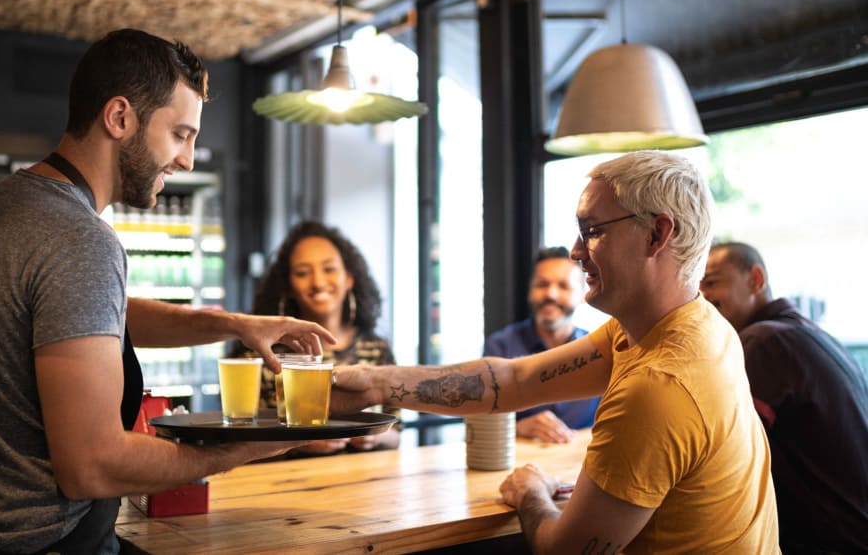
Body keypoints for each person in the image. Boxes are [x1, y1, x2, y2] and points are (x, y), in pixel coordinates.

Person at [0, 29, 335, 554]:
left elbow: (80, 317)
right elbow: (93, 466)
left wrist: (233, 325)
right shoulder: (81, 239)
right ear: (119, 118)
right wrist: (250, 445)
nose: (188, 159)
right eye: (181, 134)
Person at [332, 150, 779, 554]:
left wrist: (531, 491)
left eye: (593, 231)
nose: (576, 251)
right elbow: (513, 381)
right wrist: (374, 383)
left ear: (657, 234)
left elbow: (563, 551)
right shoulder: (682, 325)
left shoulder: (659, 384)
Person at [701, 241, 868, 554]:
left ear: (756, 280)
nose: (703, 297)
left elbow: (721, 461)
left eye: (711, 282)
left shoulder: (762, 343)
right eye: (696, 286)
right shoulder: (810, 333)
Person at [228, 220, 400, 455]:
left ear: (349, 278)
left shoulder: (377, 349)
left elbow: (396, 434)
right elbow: (240, 439)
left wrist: (374, 435)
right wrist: (300, 443)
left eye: (329, 269)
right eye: (302, 273)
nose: (318, 282)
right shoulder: (261, 352)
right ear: (288, 286)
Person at [483, 247, 599, 443]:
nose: (551, 294)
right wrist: (518, 427)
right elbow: (481, 421)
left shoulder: (598, 349)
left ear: (582, 295)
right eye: (542, 284)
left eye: (563, 286)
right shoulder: (500, 346)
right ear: (530, 291)